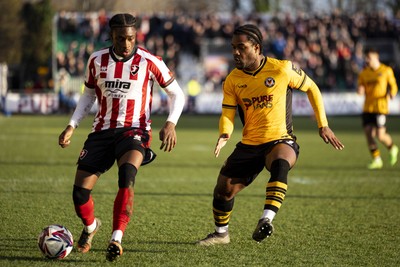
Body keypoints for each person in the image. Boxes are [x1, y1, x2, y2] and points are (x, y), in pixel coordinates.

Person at [197, 24, 344, 246]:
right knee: (223, 191)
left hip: (280, 139)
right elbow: (227, 112)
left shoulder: (282, 69)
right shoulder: (232, 80)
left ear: (256, 47)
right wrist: (225, 133)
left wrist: (323, 125)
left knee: (280, 162)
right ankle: (221, 234)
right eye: (233, 47)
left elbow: (312, 88)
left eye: (241, 47)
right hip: (249, 144)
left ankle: (266, 219)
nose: (236, 52)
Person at [58, 13, 185, 261]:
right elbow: (88, 95)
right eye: (120, 38)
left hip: (134, 131)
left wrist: (170, 124)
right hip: (101, 132)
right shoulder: (96, 60)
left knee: (127, 176)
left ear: (135, 35)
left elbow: (177, 94)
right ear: (111, 36)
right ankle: (91, 227)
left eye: (130, 38)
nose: (126, 43)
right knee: (79, 194)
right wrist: (72, 125)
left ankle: (116, 238)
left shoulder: (150, 61)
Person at [357, 47, 398, 169]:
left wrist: (392, 93)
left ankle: (392, 147)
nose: (367, 60)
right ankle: (377, 159)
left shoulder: (386, 70)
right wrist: (360, 90)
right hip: (367, 108)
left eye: (369, 58)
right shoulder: (364, 73)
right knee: (368, 133)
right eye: (366, 58)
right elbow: (361, 87)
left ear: (376, 57)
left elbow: (393, 86)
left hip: (380, 107)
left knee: (380, 135)